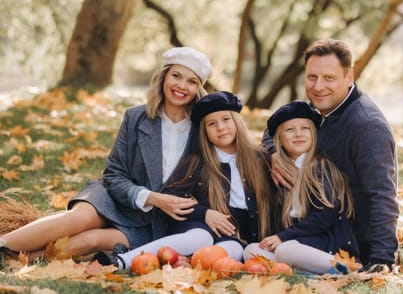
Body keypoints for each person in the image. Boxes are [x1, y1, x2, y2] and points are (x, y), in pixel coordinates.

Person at [0, 47, 212, 261]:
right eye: (176, 76)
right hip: (114, 197)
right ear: (163, 77)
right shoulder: (136, 117)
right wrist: (152, 197)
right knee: (78, 219)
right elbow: (114, 174)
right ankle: (4, 244)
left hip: (154, 222)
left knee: (91, 240)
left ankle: (12, 257)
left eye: (192, 81)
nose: (181, 86)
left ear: (198, 89)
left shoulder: (203, 130)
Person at [94, 91, 275, 269]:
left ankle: (185, 263)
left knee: (232, 251)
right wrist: (204, 213)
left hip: (235, 238)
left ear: (237, 121)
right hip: (198, 226)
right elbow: (170, 196)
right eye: (212, 124)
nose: (221, 127)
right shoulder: (197, 161)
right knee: (201, 238)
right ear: (204, 132)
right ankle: (123, 260)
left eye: (226, 119)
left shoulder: (261, 159)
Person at [263, 39, 399, 272]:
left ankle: (339, 266)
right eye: (312, 77)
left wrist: (382, 259)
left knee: (284, 252)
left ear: (349, 77)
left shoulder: (366, 125)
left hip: (346, 238)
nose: (318, 86)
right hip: (309, 227)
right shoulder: (319, 106)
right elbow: (271, 129)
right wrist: (273, 152)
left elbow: (382, 194)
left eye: (328, 78)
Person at [244, 101, 359, 274]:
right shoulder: (280, 172)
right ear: (279, 140)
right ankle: (304, 273)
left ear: (313, 134)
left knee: (285, 250)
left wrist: (283, 237)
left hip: (329, 245)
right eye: (290, 130)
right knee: (252, 250)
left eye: (305, 128)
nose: (298, 134)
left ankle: (346, 271)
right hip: (300, 242)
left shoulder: (319, 167)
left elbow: (325, 216)